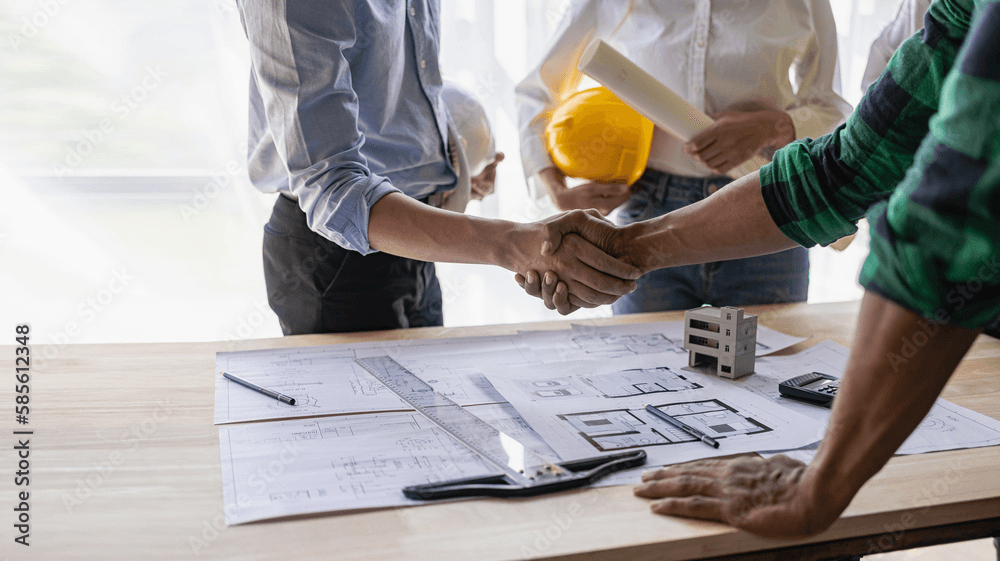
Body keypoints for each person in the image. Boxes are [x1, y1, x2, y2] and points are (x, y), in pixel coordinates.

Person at [517, 0, 1000, 538]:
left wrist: (823, 482)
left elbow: (952, 225)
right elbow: (847, 168)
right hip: (663, 198)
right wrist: (627, 248)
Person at [234, 0, 640, 335]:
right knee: (374, 427)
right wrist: (515, 244)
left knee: (426, 421)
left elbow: (400, 85)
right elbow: (333, 189)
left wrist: (452, 169)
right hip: (332, 257)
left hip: (416, 240)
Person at [515, 0, 851, 314]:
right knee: (639, 369)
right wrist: (554, 187)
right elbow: (537, 91)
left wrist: (774, 127)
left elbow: (832, 109)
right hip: (649, 209)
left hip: (766, 203)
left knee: (767, 364)